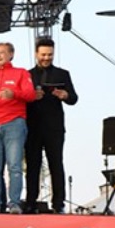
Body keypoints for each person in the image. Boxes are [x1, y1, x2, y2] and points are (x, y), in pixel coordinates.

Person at [0, 42, 37, 214]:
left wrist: (14, 93)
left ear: (11, 54)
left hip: (14, 123)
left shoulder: (21, 73)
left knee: (14, 166)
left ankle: (15, 203)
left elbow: (31, 95)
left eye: (2, 53)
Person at [25, 38, 78, 214]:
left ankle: (58, 202)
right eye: (43, 55)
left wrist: (65, 95)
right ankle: (31, 201)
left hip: (54, 127)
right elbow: (20, 99)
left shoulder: (63, 74)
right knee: (33, 165)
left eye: (50, 55)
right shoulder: (27, 75)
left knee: (56, 164)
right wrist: (32, 96)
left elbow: (74, 98)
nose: (46, 58)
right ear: (36, 54)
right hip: (32, 127)